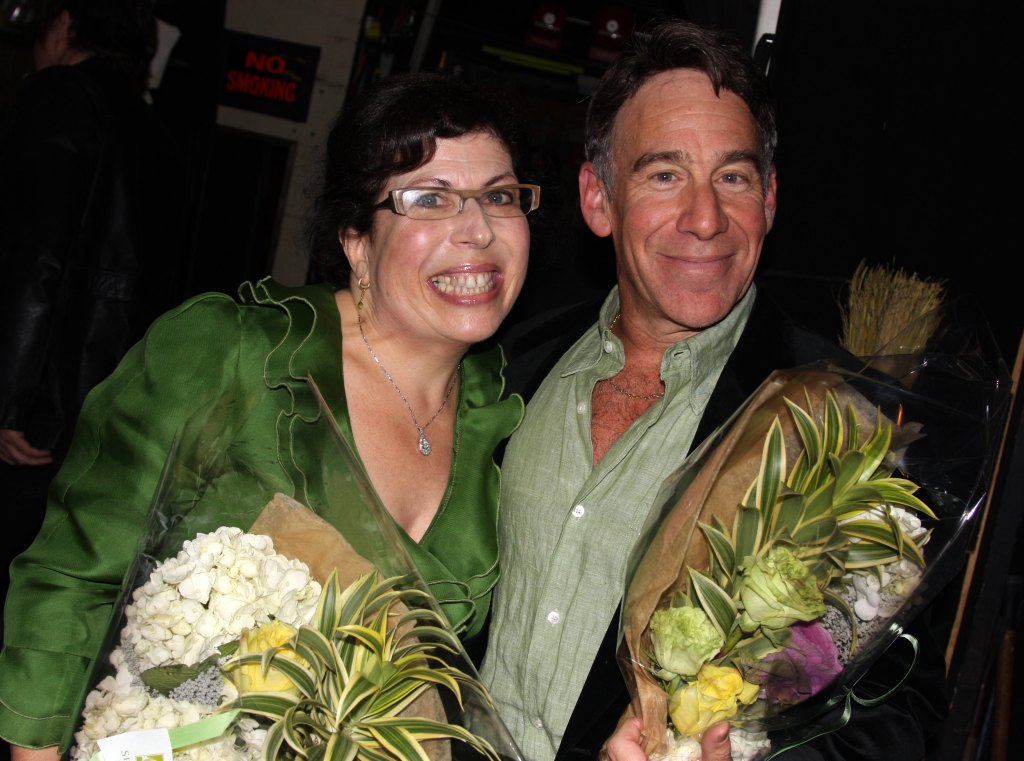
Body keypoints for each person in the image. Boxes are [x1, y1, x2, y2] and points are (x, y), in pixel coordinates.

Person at [0, 71, 536, 761]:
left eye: (499, 196)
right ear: (355, 239)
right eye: (429, 199)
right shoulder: (233, 354)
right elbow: (72, 579)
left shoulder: (506, 415)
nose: (479, 230)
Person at [480, 17, 949, 761]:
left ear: (768, 199)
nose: (705, 217)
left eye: (732, 176)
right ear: (598, 199)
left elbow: (900, 709)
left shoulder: (832, 419)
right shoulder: (508, 362)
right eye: (664, 174)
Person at [0, 0, 188, 626]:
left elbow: (38, 257)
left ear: (63, 25)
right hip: (112, 405)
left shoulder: (58, 97)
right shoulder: (154, 127)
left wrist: (11, 401)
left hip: (44, 400)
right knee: (51, 586)